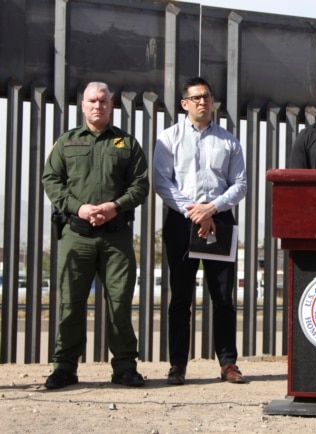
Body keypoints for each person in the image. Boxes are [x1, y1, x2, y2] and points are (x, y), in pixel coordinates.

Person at [41, 81, 149, 389]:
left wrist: (115, 206)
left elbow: (141, 185)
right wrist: (79, 208)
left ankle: (125, 367)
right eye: (92, 100)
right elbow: (51, 180)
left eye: (103, 100)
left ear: (111, 104)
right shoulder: (67, 142)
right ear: (82, 105)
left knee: (119, 303)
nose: (98, 105)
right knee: (70, 302)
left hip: (116, 237)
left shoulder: (127, 144)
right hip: (77, 235)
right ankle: (64, 368)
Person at [153, 76, 247, 385]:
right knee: (181, 297)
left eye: (207, 96)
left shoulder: (229, 140)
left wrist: (212, 208)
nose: (202, 102)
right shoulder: (168, 138)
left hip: (218, 220)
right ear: (184, 104)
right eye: (195, 97)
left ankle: (228, 364)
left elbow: (240, 184)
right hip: (182, 222)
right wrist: (193, 210)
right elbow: (162, 182)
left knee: (222, 297)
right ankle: (178, 365)